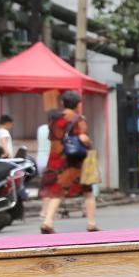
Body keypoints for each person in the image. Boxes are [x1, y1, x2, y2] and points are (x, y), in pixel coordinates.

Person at [39, 91, 98, 233]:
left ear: (62, 103)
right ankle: (91, 223)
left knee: (57, 192)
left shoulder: (54, 119)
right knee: (88, 192)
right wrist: (89, 143)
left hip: (56, 158)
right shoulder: (78, 119)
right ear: (78, 104)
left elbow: (51, 138)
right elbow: (83, 138)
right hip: (74, 161)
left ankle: (48, 221)